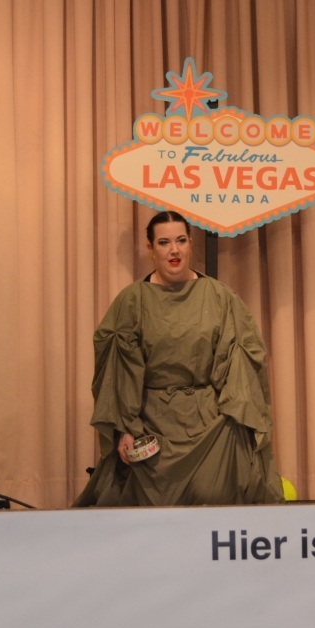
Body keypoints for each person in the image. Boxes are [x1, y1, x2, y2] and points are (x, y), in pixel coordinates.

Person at [74, 211, 284, 506]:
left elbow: (243, 369)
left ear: (191, 244)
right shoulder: (132, 301)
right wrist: (126, 428)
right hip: (151, 426)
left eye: (181, 241)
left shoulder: (220, 297)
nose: (174, 250)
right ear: (151, 248)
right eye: (164, 242)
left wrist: (233, 423)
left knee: (215, 498)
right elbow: (119, 372)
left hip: (211, 426)